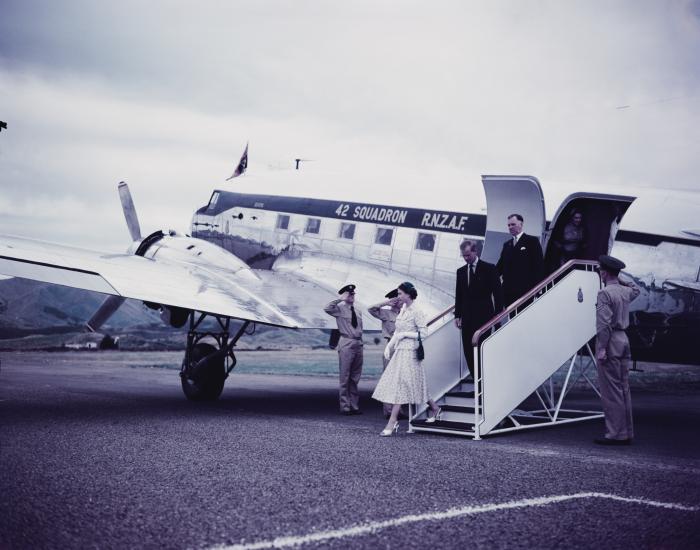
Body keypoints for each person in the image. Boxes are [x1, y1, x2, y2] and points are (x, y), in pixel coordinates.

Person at [372, 282, 441, 436]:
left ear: (409, 294)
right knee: (414, 383)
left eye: (400, 294)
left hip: (410, 351)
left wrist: (405, 335)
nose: (398, 296)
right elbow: (397, 331)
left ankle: (392, 421)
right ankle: (435, 408)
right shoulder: (403, 309)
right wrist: (388, 346)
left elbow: (423, 333)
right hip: (400, 350)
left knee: (402, 385)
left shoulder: (417, 311)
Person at [594, 255, 640, 445]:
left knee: (611, 391)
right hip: (624, 339)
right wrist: (619, 277)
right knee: (623, 388)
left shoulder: (604, 293)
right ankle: (626, 432)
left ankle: (614, 434)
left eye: (600, 270)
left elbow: (604, 325)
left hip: (611, 340)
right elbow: (635, 288)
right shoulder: (624, 291)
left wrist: (602, 348)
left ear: (604, 272)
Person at [454, 240, 504, 380]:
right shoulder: (461, 272)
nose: (466, 258)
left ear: (475, 252)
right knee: (468, 351)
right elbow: (459, 295)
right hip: (467, 318)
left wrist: (497, 316)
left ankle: (485, 382)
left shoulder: (489, 268)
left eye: (468, 255)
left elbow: (498, 293)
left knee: (482, 350)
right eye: (463, 255)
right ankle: (477, 382)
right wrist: (457, 315)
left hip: (484, 318)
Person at [324, 284, 363, 415]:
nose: (352, 296)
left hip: (358, 343)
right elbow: (327, 308)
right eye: (349, 294)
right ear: (345, 295)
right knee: (345, 376)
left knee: (355, 377)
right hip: (346, 342)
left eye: (353, 294)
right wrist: (340, 299)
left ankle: (354, 406)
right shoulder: (339, 309)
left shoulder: (357, 311)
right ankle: (345, 406)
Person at [368, 289, 407, 418]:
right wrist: (386, 303)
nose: (401, 302)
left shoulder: (404, 313)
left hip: (403, 346)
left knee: (400, 380)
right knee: (389, 379)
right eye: (398, 300)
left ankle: (398, 411)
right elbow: (371, 309)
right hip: (391, 346)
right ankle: (388, 411)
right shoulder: (385, 313)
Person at [496, 213, 545, 306]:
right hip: (507, 291)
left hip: (525, 292)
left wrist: (538, 289)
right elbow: (500, 266)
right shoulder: (507, 245)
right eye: (509, 225)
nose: (510, 227)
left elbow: (539, 267)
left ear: (521, 224)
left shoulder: (532, 241)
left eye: (513, 224)